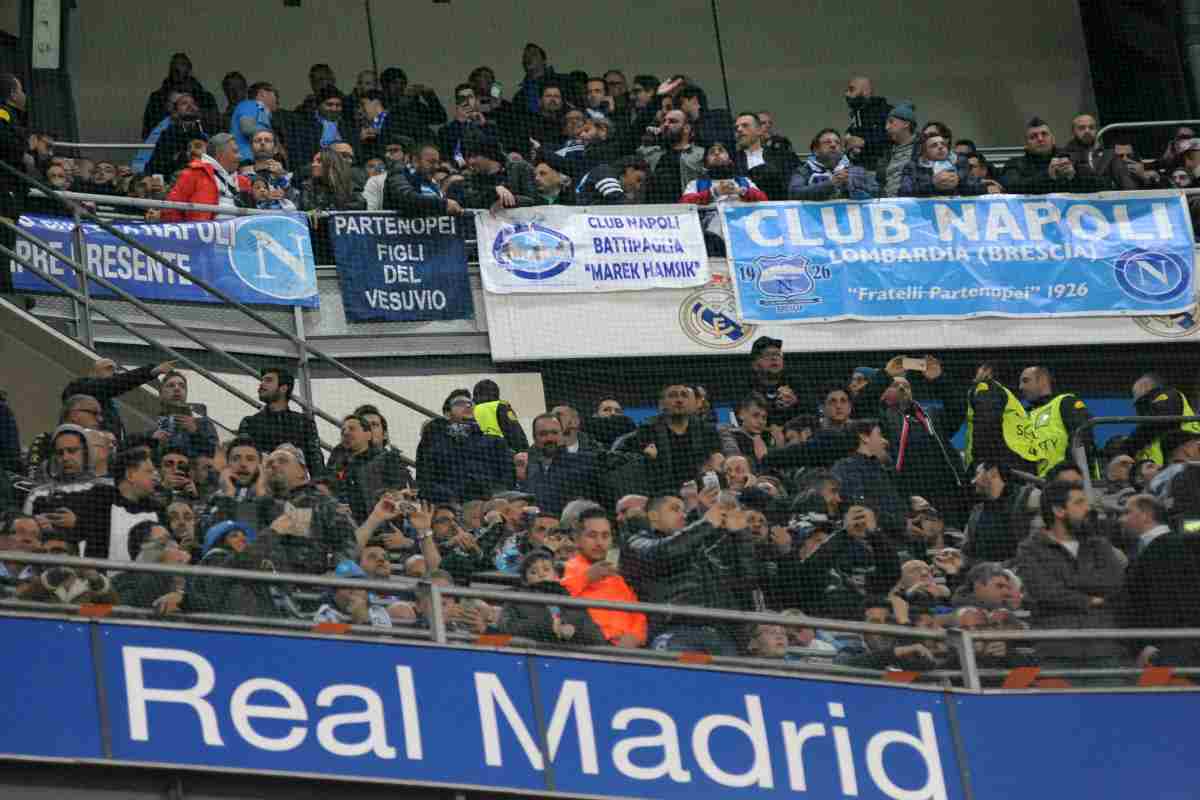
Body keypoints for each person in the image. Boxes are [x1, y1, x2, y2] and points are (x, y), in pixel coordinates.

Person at [1012, 480, 1125, 677]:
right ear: (1059, 510)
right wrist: (1089, 599)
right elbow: (1045, 592)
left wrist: (1069, 584)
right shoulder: (1030, 549)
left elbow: (1114, 583)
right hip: (1057, 654)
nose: (1088, 509)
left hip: (1103, 651)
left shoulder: (1099, 545)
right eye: (1079, 503)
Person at [620, 493, 757, 654]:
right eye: (675, 509)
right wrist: (705, 524)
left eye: (684, 510)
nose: (682, 515)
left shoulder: (700, 551)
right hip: (675, 634)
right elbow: (663, 553)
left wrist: (740, 535)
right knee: (688, 667)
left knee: (729, 675)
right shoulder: (636, 543)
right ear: (653, 516)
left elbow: (746, 581)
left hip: (721, 638)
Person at [1121, 494, 1200, 666]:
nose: (1122, 519)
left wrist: (1155, 646)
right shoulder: (1148, 549)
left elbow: (1171, 599)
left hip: (1173, 649)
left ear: (1146, 515)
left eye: (1127, 512)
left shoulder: (1169, 547)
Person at [560, 508, 647, 648]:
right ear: (577, 539)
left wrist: (635, 637)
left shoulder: (617, 578)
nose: (599, 542)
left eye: (605, 536)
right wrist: (586, 578)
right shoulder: (564, 568)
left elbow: (638, 615)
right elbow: (555, 598)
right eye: (592, 535)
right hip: (588, 648)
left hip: (628, 651)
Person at [415, 390, 514, 503]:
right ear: (447, 413)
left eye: (470, 403)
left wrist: (493, 496)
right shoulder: (434, 441)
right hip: (449, 503)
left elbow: (507, 476)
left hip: (488, 502)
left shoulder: (494, 442)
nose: (467, 405)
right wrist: (449, 497)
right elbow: (425, 479)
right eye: (460, 403)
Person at [623, 384, 721, 496]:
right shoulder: (647, 430)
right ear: (662, 403)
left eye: (684, 396)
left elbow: (716, 458)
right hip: (662, 492)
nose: (679, 400)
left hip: (701, 491)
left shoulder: (706, 429)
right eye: (673, 396)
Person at [499, 548, 606, 645]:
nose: (541, 574)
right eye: (533, 572)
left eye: (546, 569)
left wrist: (575, 631)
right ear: (525, 579)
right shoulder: (516, 599)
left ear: (556, 574)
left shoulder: (572, 601)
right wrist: (550, 626)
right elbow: (506, 628)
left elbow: (597, 638)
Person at [62, 358, 174, 446]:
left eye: (116, 370)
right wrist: (150, 372)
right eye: (109, 368)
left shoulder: (109, 406)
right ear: (92, 373)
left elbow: (120, 443)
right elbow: (112, 384)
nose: (114, 373)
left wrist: (150, 438)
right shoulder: (79, 387)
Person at [237, 367, 325, 478]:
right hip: (262, 486)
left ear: (283, 388)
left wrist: (319, 486)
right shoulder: (250, 423)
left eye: (268, 380)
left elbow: (315, 462)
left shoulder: (304, 423)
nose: (261, 384)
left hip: (296, 488)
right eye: (262, 380)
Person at [1018, 366, 1095, 478]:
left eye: (1025, 381)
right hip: (1040, 485)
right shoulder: (1024, 417)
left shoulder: (1065, 402)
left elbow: (1084, 435)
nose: (1021, 387)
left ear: (1043, 381)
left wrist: (1067, 470)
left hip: (1073, 482)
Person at [832, 419, 905, 535]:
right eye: (879, 435)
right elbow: (860, 508)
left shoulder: (882, 469)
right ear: (864, 437)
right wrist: (903, 525)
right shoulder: (847, 467)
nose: (885, 441)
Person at [1000, 117, 1105, 195]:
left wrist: (1074, 176)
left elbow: (1102, 185)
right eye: (1033, 136)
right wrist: (1047, 176)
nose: (1040, 139)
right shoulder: (1015, 163)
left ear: (1053, 140)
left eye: (1044, 134)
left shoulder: (1072, 158)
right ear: (1026, 145)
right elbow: (1010, 188)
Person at [161, 134, 249, 222]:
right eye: (235, 151)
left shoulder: (243, 182)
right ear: (219, 154)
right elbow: (170, 211)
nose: (240, 156)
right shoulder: (193, 174)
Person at [964, 462, 1038, 563]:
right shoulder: (977, 511)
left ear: (993, 473)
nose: (973, 481)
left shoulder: (1027, 499)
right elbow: (966, 551)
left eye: (977, 474)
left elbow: (1035, 548)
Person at [1121, 373, 1200, 465]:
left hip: (1186, 459)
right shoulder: (1148, 423)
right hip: (1166, 468)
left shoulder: (1166, 395)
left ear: (1145, 387)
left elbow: (1161, 420)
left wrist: (1128, 447)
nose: (1138, 409)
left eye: (1138, 402)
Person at [140, 53, 219, 140]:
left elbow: (216, 128)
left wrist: (197, 116)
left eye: (183, 70)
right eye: (176, 71)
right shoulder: (157, 99)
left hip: (200, 146)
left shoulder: (205, 98)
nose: (179, 75)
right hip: (166, 145)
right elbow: (148, 131)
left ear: (189, 72)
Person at [789, 128, 877, 201]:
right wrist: (830, 184)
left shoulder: (857, 170)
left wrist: (849, 184)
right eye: (827, 142)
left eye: (837, 142)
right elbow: (794, 193)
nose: (833, 145)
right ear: (816, 150)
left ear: (842, 150)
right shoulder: (803, 171)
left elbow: (876, 191)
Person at [640, 109, 706, 203]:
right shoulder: (655, 153)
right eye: (664, 121)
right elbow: (638, 152)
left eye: (672, 121)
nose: (666, 125)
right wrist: (650, 136)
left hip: (688, 210)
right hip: (659, 212)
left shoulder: (700, 154)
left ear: (686, 128)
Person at [383, 141, 464, 217]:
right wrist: (444, 204)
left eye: (437, 162)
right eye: (431, 162)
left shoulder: (433, 185)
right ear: (415, 160)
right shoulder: (398, 174)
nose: (436, 167)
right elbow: (408, 198)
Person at [899, 131, 991, 197]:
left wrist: (959, 182)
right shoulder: (912, 167)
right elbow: (904, 192)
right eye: (934, 145)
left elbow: (974, 186)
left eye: (943, 144)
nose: (940, 147)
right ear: (924, 153)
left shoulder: (960, 163)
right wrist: (932, 184)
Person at [1061, 113, 1137, 191]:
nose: (1087, 131)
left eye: (1091, 127)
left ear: (1096, 130)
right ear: (1073, 132)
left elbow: (1126, 182)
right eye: (1082, 128)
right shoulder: (1064, 154)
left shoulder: (1109, 155)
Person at [152, 371, 218, 459]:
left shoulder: (203, 423)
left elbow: (214, 454)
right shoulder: (151, 423)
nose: (177, 389)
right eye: (171, 385)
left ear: (186, 393)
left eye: (182, 386)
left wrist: (196, 432)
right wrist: (152, 443)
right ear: (161, 393)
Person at [844, 76, 891, 169]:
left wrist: (864, 143)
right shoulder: (857, 114)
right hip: (860, 169)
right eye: (847, 90)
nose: (846, 94)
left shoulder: (884, 111)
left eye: (851, 90)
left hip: (879, 170)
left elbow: (890, 139)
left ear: (866, 92)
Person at [299, 147, 366, 211]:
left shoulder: (348, 185)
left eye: (319, 161)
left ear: (331, 164)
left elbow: (361, 204)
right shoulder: (308, 186)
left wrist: (333, 207)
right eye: (313, 161)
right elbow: (307, 208)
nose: (313, 164)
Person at [875, 101, 918, 197]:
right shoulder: (887, 153)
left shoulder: (923, 148)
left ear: (906, 124)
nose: (886, 127)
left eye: (891, 122)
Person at [230, 82, 278, 163]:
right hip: (245, 160)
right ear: (262, 93)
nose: (277, 99)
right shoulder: (251, 104)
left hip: (255, 162)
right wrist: (272, 139)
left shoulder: (262, 111)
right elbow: (247, 128)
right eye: (275, 95)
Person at [576, 156, 648, 204]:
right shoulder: (604, 171)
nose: (638, 187)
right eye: (638, 180)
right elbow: (617, 200)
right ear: (630, 170)